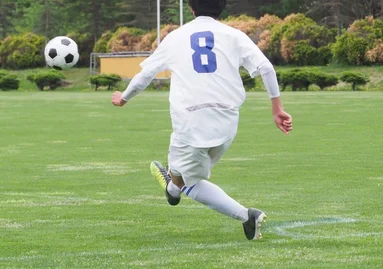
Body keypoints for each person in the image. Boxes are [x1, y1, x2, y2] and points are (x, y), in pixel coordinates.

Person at [111, 0, 292, 240]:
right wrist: (277, 108)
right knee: (183, 173)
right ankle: (172, 189)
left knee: (191, 183)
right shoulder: (234, 35)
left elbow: (145, 75)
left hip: (191, 120)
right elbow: (266, 68)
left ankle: (246, 215)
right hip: (228, 119)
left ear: (191, 9)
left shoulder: (176, 37)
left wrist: (123, 98)